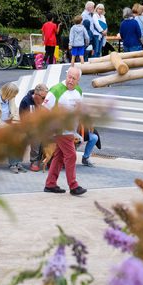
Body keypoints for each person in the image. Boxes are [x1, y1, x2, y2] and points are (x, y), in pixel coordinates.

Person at [42, 66, 87, 196]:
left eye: (74, 78)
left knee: (60, 156)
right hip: (59, 129)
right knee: (71, 155)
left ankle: (50, 184)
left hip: (71, 128)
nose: (71, 80)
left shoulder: (78, 90)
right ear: (66, 75)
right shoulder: (56, 90)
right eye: (69, 77)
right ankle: (73, 186)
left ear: (78, 80)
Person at [19, 82, 49, 172]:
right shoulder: (26, 101)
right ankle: (34, 161)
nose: (45, 100)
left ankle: (48, 158)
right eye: (43, 98)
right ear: (36, 95)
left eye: (45, 97)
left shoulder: (43, 102)